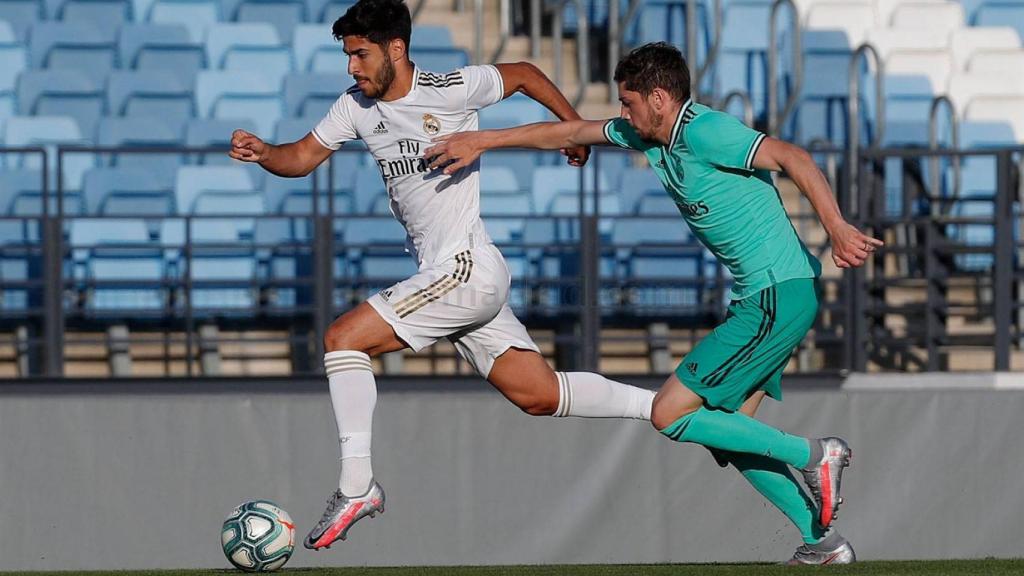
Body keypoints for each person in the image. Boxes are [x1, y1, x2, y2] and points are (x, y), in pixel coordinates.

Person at [424, 42, 884, 566]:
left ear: (659, 98)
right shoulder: (651, 136)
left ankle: (817, 454)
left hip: (777, 294)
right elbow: (570, 131)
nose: (622, 113)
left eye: (629, 102)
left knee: (669, 413)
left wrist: (838, 228)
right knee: (728, 431)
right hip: (769, 296)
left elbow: (792, 156)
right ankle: (823, 542)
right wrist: (484, 140)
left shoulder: (705, 130)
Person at [229, 0, 659, 551]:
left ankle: (356, 486)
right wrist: (265, 152)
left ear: (396, 49)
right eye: (348, 56)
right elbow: (301, 158)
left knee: (342, 340)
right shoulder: (355, 107)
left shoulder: (450, 87)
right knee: (538, 394)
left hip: (465, 269)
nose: (352, 68)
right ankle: (660, 407)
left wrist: (570, 129)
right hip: (454, 277)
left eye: (360, 54)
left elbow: (525, 74)